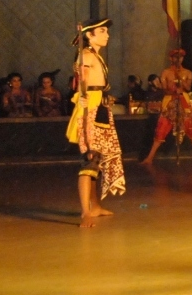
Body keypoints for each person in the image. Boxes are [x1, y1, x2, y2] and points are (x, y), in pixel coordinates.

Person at [64, 18, 125, 228]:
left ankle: (95, 206)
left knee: (97, 160)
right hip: (89, 108)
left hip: (99, 106)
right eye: (102, 31)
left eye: (107, 31)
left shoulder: (95, 56)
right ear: (89, 35)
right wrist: (82, 96)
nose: (107, 35)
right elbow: (83, 80)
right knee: (89, 159)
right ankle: (86, 212)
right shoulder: (86, 55)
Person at [141, 49, 192, 164]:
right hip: (170, 102)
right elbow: (164, 89)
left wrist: (180, 80)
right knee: (162, 128)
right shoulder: (165, 72)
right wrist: (173, 86)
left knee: (191, 126)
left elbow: (188, 88)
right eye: (175, 57)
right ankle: (149, 158)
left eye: (180, 57)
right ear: (171, 58)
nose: (178, 59)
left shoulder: (188, 73)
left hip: (183, 101)